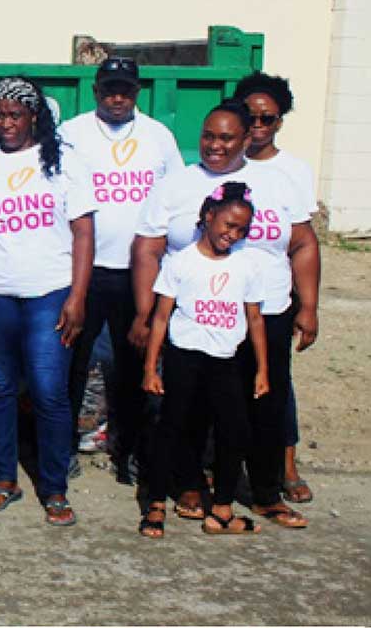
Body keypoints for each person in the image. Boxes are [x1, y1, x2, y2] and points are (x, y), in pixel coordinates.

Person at [132, 99, 316, 528]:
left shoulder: (276, 182)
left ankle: (266, 492)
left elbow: (304, 243)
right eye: (208, 136)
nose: (215, 146)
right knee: (190, 408)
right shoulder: (177, 185)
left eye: (226, 138)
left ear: (247, 136)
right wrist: (145, 313)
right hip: (195, 320)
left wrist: (308, 305)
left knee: (263, 405)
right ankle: (191, 484)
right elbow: (148, 248)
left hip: (263, 312)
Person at [0, 77, 95, 526]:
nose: (6, 123)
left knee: (48, 391)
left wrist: (78, 296)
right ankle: (4, 478)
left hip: (50, 293)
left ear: (34, 117)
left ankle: (54, 486)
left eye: (15, 115)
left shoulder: (63, 164)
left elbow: (83, 233)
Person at [57, 56, 183, 483]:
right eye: (109, 88)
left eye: (125, 89)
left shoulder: (158, 137)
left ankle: (130, 453)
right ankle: (63, 451)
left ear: (137, 92)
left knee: (136, 367)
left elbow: (175, 199)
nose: (117, 97)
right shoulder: (71, 134)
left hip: (140, 276)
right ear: (95, 90)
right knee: (69, 364)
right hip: (85, 273)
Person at [139, 182, 269, 537]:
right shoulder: (181, 262)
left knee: (233, 430)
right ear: (209, 217)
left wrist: (262, 369)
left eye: (242, 229)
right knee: (172, 427)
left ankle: (222, 510)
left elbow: (255, 318)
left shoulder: (246, 265)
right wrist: (152, 367)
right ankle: (154, 504)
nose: (233, 234)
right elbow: (161, 319)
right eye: (228, 225)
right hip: (185, 358)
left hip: (225, 360)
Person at [234, 72, 320, 506]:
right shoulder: (220, 162)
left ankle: (283, 466)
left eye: (267, 118)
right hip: (224, 301)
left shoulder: (293, 172)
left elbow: (303, 242)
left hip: (271, 300)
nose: (257, 126)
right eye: (249, 117)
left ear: (279, 121)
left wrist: (309, 307)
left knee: (274, 385)